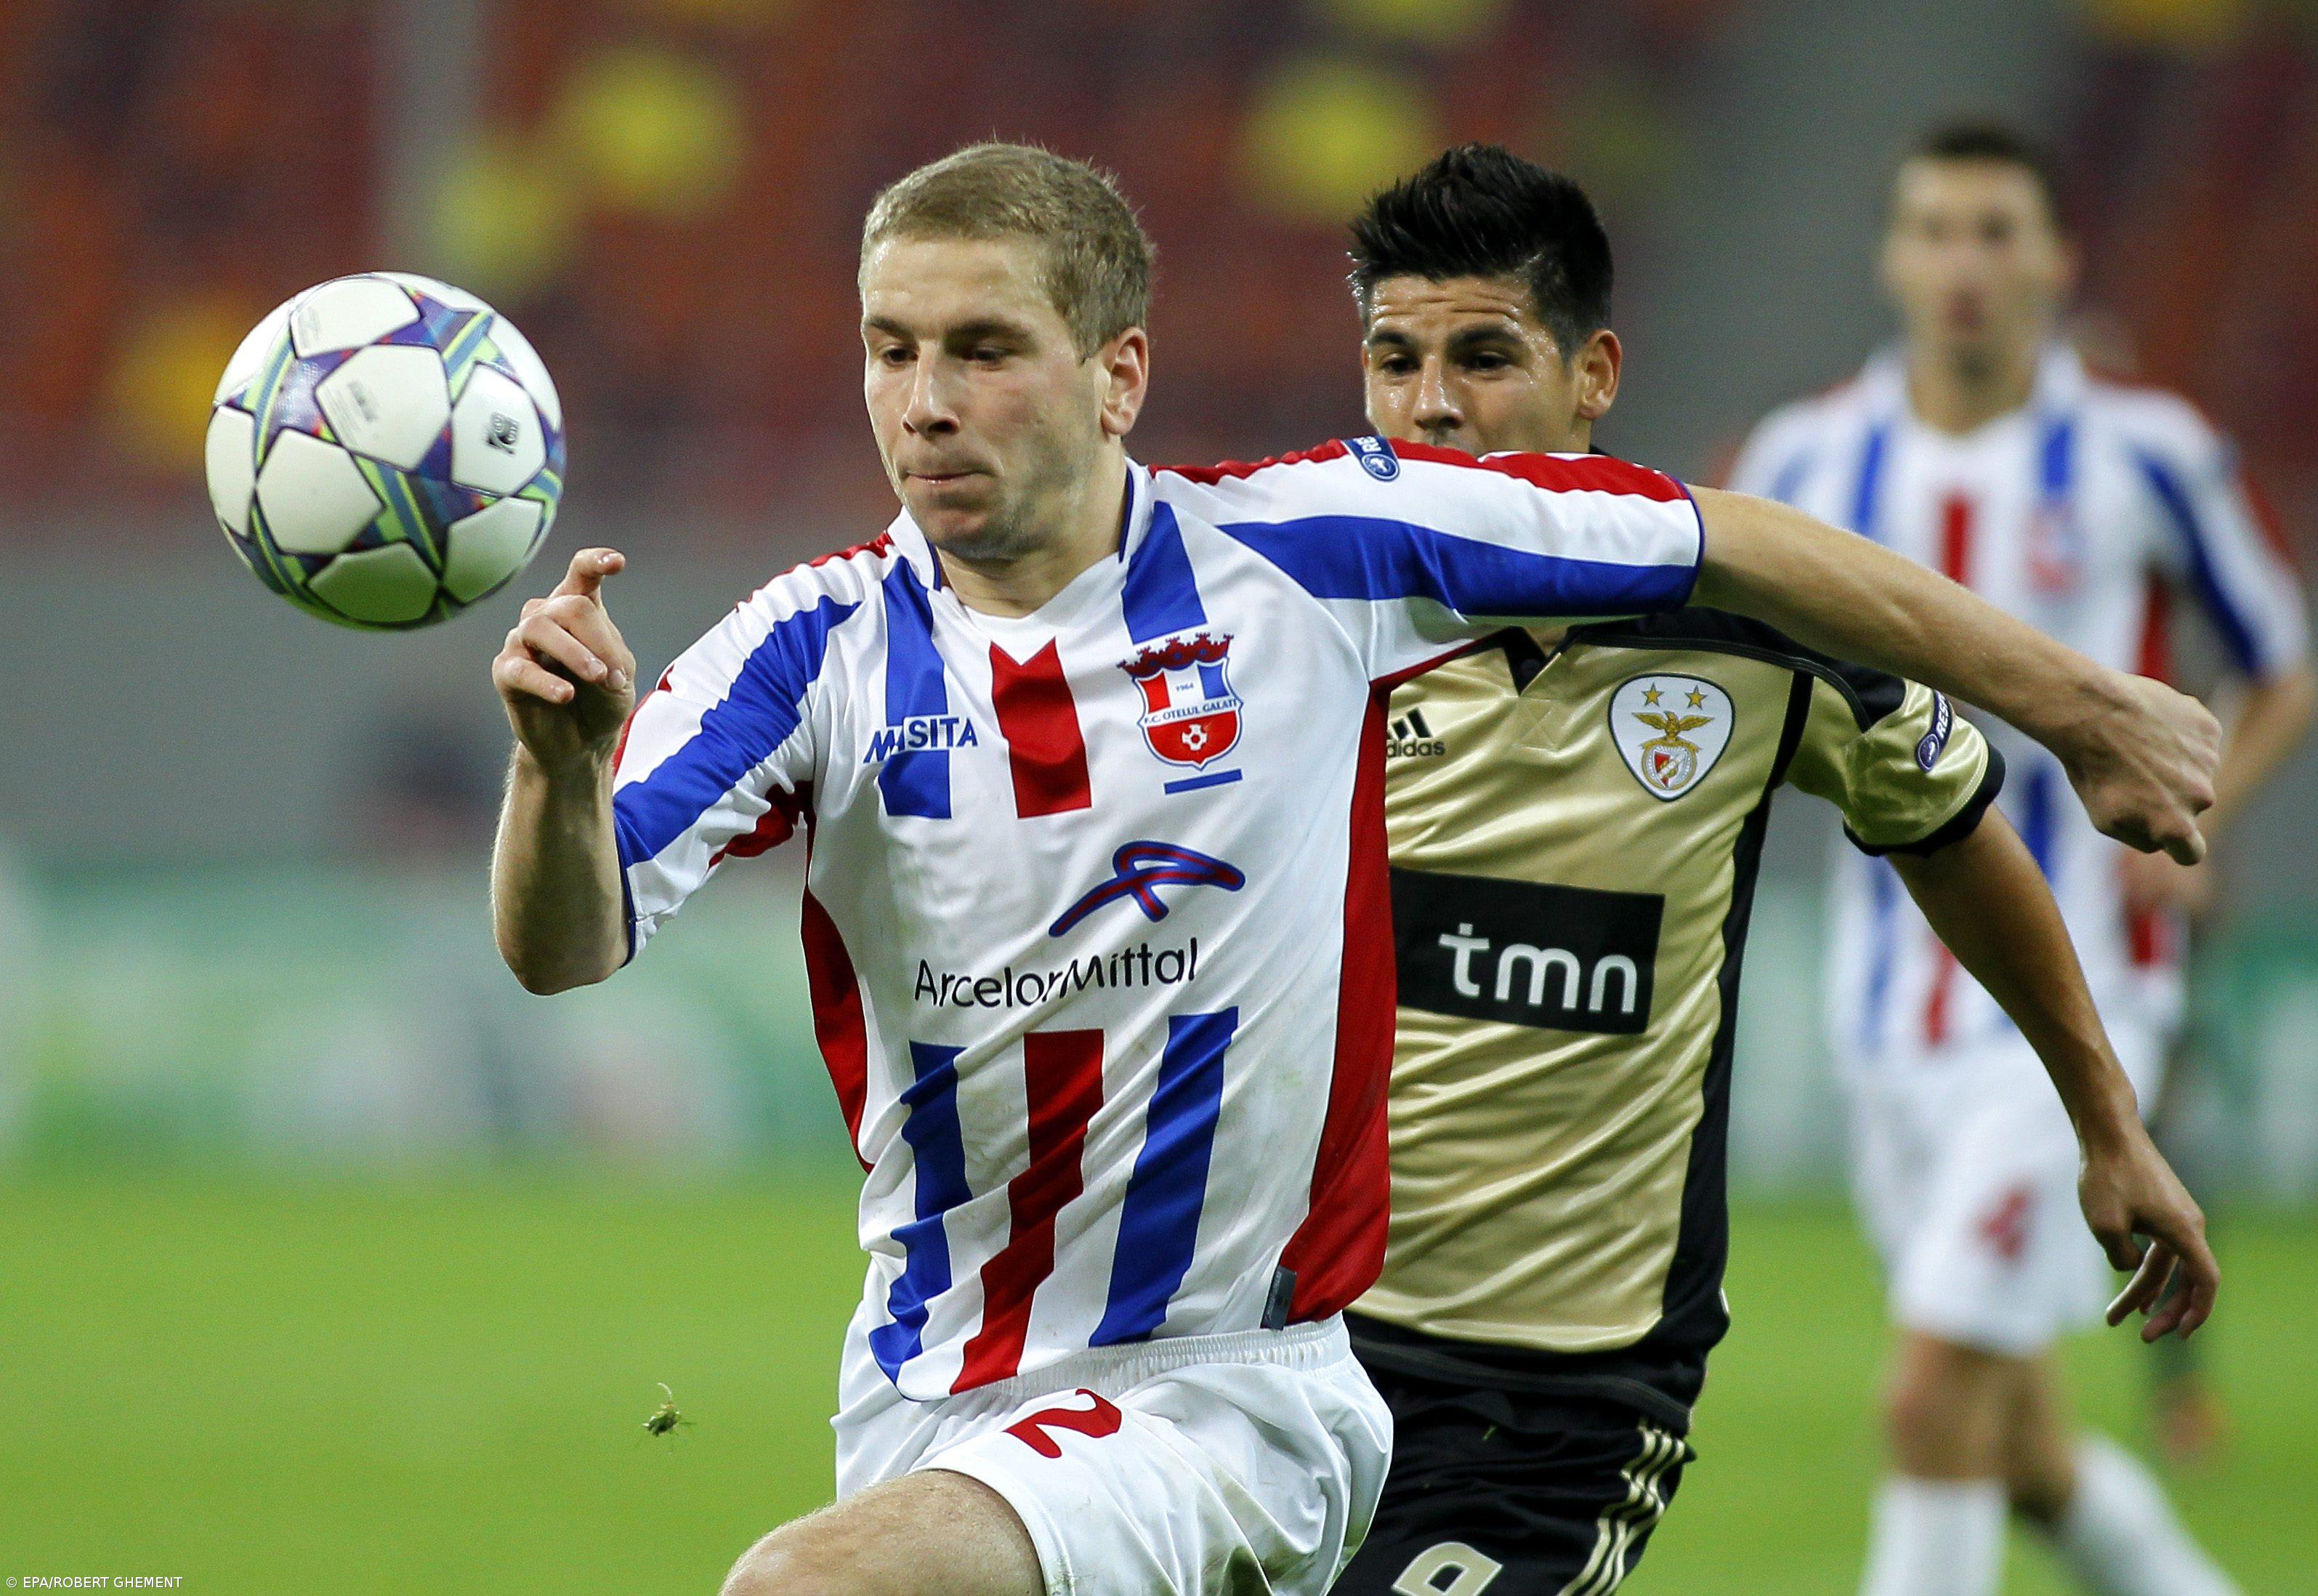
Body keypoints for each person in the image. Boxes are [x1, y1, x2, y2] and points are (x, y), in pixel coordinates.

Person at [490, 143, 2218, 1596]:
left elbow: (1735, 553)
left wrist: (2080, 714)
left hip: (1302, 1391)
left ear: (1116, 372)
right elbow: (567, 947)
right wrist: (556, 775)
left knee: (800, 1589)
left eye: (981, 349)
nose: (924, 404)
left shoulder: (1322, 564)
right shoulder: (810, 648)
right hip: (940, 1389)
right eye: (887, 350)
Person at [1314, 145, 2216, 1596]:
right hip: (1292, 1354)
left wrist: (2102, 1122)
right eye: (1392, 359)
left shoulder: (1741, 632)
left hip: (1560, 1398)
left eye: (1482, 357)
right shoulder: (1299, 611)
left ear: (1590, 372)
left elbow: (1950, 828)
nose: (1430, 407)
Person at [1729, 120, 2312, 1596]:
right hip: (1884, 1015)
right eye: (1933, 231)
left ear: (2053, 258)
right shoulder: (1805, 456)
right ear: (1889, 258)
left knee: (1926, 1402)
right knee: (2019, 1451)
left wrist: (2199, 830)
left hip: (2079, 999)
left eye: (1996, 232)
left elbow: (2280, 664)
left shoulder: (2145, 454)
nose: (1963, 265)